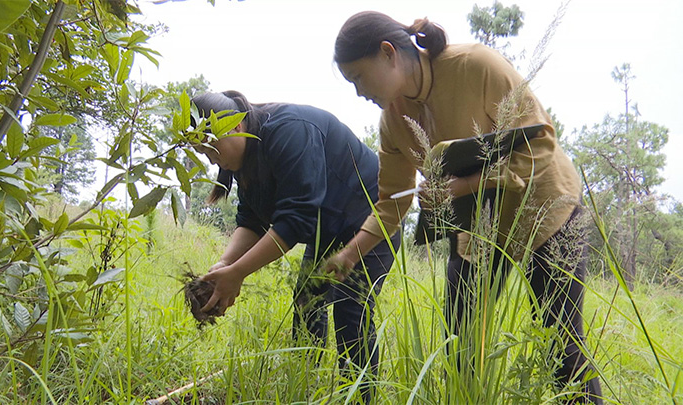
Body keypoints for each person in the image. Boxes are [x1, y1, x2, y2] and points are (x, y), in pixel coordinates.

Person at [327, 11, 603, 404]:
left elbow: (541, 146)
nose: (358, 92)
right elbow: (391, 201)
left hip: (546, 209)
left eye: (358, 78)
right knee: (460, 343)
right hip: (478, 228)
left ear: (388, 53)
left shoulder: (476, 65)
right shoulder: (393, 121)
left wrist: (461, 186)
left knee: (561, 344)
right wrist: (349, 254)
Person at [191, 90, 400, 399]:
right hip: (327, 230)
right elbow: (251, 221)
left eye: (211, 147)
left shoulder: (290, 130)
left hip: (371, 220)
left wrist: (237, 274)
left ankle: (360, 396)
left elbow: (295, 221)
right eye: (202, 152)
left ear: (235, 127)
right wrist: (225, 265)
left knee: (350, 307)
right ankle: (303, 385)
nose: (209, 158)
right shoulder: (246, 160)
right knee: (307, 301)